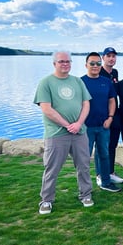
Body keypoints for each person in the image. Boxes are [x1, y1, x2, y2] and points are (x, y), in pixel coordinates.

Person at [34, 51, 94, 214]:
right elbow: (46, 108)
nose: (65, 64)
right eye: (61, 61)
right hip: (56, 134)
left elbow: (86, 104)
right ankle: (46, 200)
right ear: (54, 63)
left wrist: (79, 124)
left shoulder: (77, 81)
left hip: (79, 132)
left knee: (83, 165)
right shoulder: (46, 82)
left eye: (68, 61)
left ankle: (86, 194)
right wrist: (68, 125)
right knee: (52, 168)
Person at [81, 52, 121, 193]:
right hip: (86, 127)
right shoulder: (80, 82)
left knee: (104, 154)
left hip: (103, 126)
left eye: (98, 63)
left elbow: (112, 100)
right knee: (84, 159)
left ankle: (106, 182)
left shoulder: (106, 82)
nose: (95, 66)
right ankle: (84, 189)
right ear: (86, 65)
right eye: (92, 63)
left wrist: (110, 117)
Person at [99, 46, 123, 185]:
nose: (111, 58)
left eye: (113, 56)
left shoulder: (114, 72)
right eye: (108, 56)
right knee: (102, 145)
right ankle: (100, 174)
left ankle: (110, 172)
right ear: (103, 57)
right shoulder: (99, 72)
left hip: (114, 114)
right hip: (103, 115)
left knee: (113, 145)